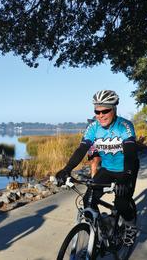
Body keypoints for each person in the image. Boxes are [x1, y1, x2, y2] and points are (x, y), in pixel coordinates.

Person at [55, 90, 139, 246]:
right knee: (88, 200)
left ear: (113, 109)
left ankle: (131, 226)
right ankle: (99, 230)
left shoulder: (124, 126)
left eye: (104, 111)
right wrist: (66, 169)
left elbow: (130, 154)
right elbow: (81, 149)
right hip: (107, 169)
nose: (100, 115)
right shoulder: (93, 127)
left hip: (126, 169)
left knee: (121, 203)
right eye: (97, 111)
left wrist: (126, 176)